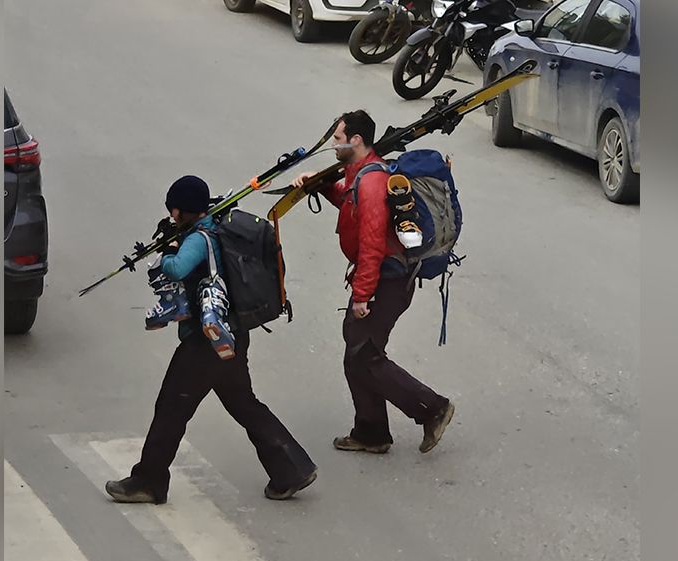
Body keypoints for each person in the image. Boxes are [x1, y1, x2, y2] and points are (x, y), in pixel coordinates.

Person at [105, 175, 318, 503]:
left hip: (204, 344)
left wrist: (165, 254)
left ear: (181, 209)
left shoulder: (198, 239)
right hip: (231, 333)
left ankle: (148, 480)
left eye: (174, 209)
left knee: (171, 408)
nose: (172, 215)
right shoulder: (214, 223)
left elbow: (177, 269)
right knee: (243, 403)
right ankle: (291, 470)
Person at [293, 110, 455, 455]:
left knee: (364, 355)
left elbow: (372, 245)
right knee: (359, 354)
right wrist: (321, 186)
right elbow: (349, 205)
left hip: (387, 281)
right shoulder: (362, 174)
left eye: (337, 139)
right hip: (384, 278)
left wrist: (362, 296)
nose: (333, 146)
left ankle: (432, 408)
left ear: (356, 140)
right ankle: (371, 432)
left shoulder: (370, 182)